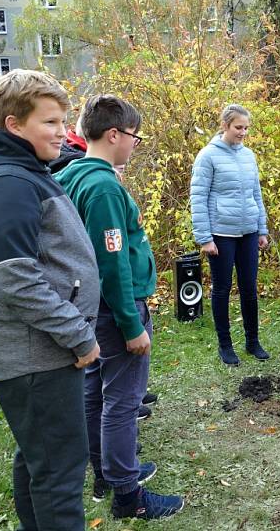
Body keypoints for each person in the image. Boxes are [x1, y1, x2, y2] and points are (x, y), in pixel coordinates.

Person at [0, 69, 100, 530]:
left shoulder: (19, 169)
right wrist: (80, 336)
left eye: (64, 121)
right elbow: (13, 276)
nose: (63, 133)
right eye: (50, 122)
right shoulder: (8, 181)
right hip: (35, 354)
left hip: (35, 348)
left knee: (40, 460)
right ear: (13, 125)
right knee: (59, 475)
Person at [55, 95, 184, 520]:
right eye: (134, 136)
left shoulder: (72, 173)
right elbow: (111, 262)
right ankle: (128, 494)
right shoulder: (103, 186)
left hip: (90, 309)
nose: (135, 144)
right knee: (122, 401)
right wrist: (132, 324)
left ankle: (106, 472)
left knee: (95, 392)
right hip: (115, 309)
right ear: (114, 134)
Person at [190, 104, 270, 366]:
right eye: (238, 127)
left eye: (246, 128)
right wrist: (204, 237)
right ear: (224, 126)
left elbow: (256, 195)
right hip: (221, 233)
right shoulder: (207, 156)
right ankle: (225, 345)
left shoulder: (249, 155)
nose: (243, 132)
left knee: (249, 289)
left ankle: (253, 341)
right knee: (222, 289)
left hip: (248, 231)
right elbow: (198, 197)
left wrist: (262, 229)